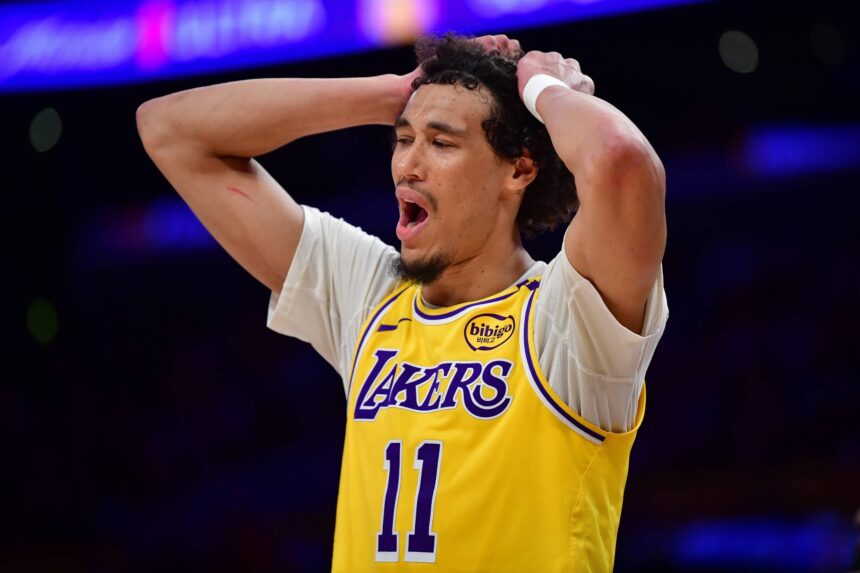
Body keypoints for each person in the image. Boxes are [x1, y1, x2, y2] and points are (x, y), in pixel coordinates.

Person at [137, 32, 668, 572]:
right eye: (403, 138)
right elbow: (169, 130)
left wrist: (546, 91)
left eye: (441, 144)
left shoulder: (567, 321)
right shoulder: (372, 295)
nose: (407, 166)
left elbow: (619, 158)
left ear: (519, 170)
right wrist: (396, 92)